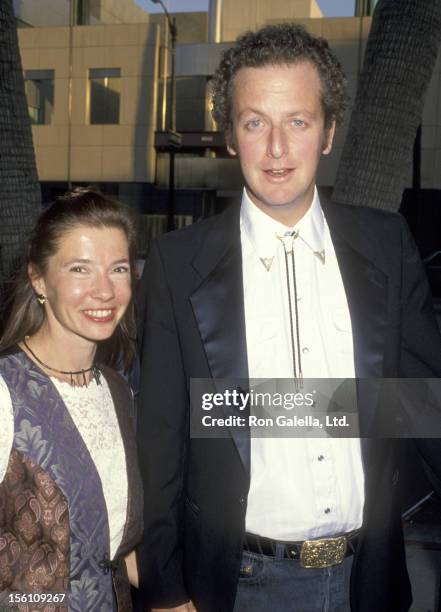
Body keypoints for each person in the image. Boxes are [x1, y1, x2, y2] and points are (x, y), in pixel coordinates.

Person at [136, 23, 441, 612]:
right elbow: (162, 437)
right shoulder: (178, 264)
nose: (276, 148)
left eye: (297, 122)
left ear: (328, 133)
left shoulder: (387, 242)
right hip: (240, 583)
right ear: (230, 135)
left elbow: (423, 403)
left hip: (368, 580)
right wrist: (167, 590)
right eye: (255, 123)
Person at [0, 188, 143, 611]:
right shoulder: (5, 391)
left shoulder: (119, 391)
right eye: (80, 269)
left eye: (117, 269)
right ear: (38, 279)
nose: (104, 290)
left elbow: (116, 546)